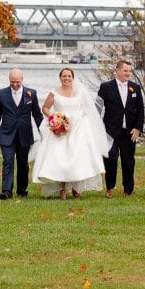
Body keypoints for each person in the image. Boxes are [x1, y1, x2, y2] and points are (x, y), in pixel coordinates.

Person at [31, 68, 109, 199]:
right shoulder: (54, 93)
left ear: (73, 78)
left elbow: (88, 109)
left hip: (78, 128)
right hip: (60, 128)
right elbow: (45, 108)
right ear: (60, 77)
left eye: (69, 76)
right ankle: (62, 189)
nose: (66, 78)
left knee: (77, 158)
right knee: (61, 159)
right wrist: (54, 117)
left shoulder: (80, 92)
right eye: (64, 76)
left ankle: (75, 187)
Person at [0, 68, 44, 200]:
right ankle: (6, 191)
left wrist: (44, 132)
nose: (15, 85)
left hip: (24, 135)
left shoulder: (31, 94)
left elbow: (37, 115)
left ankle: (22, 190)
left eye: (17, 82)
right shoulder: (1, 94)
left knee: (23, 164)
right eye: (12, 82)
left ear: (22, 79)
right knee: (8, 161)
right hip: (6, 135)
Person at [96, 60, 145, 197]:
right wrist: (97, 127)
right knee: (110, 159)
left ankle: (128, 190)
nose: (128, 73)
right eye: (125, 71)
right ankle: (110, 187)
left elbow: (141, 110)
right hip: (110, 131)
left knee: (128, 161)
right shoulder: (105, 87)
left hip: (129, 132)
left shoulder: (135, 88)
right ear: (117, 70)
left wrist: (137, 128)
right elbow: (97, 108)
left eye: (129, 71)